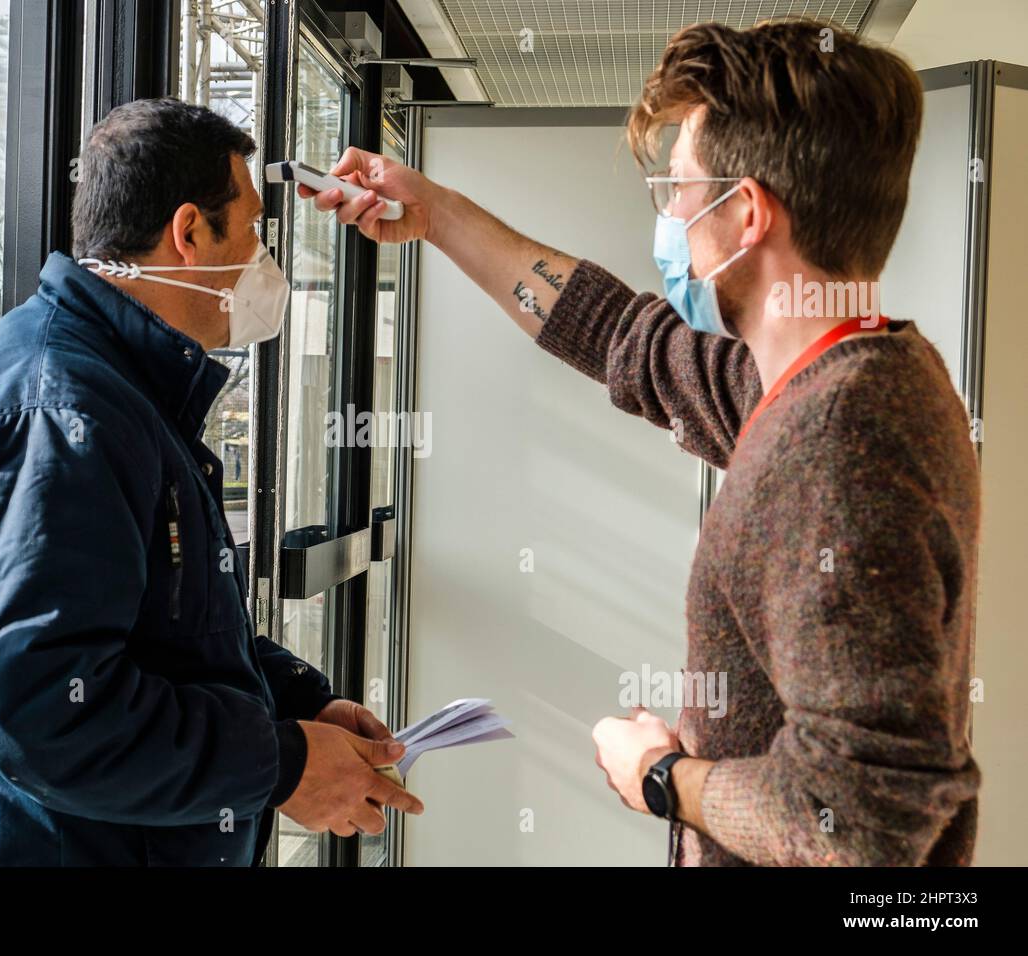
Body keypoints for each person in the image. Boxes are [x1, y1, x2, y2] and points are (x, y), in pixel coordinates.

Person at [300, 20, 980, 866]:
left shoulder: (839, 441)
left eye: (678, 190)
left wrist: (661, 777)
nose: (668, 215)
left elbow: (862, 815)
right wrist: (433, 215)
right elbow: (617, 332)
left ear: (748, 215)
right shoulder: (833, 380)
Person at [0, 97, 422, 866]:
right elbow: (43, 711)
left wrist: (297, 708)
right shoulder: (61, 412)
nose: (261, 259)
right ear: (189, 233)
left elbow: (159, 635)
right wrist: (278, 765)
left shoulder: (118, 391)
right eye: (250, 229)